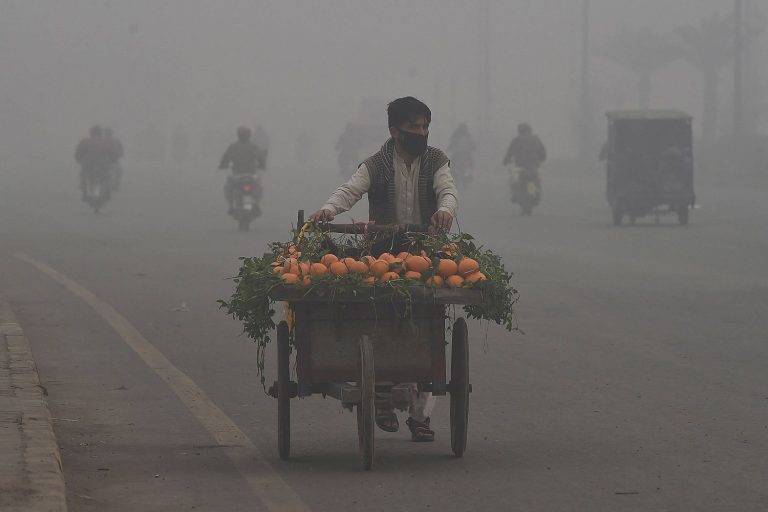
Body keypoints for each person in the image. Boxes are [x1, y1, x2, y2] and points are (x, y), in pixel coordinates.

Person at [309, 96, 458, 442]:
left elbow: (447, 191)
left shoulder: (436, 159)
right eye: (413, 127)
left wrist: (446, 211)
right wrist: (328, 210)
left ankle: (421, 414)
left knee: (428, 323)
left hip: (425, 253)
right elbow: (350, 191)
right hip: (381, 254)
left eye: (424, 127)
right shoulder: (377, 164)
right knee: (376, 315)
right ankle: (379, 394)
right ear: (395, 131)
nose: (420, 133)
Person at [219, 126, 266, 214]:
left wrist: (223, 165)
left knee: (229, 187)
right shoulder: (253, 146)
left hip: (239, 174)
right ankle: (236, 205)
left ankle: (232, 205)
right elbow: (261, 158)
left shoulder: (233, 147)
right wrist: (262, 165)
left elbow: (225, 158)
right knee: (258, 186)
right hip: (247, 174)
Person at [503, 122, 546, 202]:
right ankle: (535, 192)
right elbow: (542, 151)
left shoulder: (516, 140)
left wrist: (505, 161)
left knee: (513, 179)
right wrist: (542, 159)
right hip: (534, 166)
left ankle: (515, 194)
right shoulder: (535, 139)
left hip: (520, 166)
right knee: (537, 180)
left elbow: (509, 152)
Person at [75, 125, 111, 201]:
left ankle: (84, 192)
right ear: (100, 133)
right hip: (102, 166)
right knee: (107, 178)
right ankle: (107, 192)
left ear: (91, 132)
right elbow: (112, 153)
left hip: (88, 166)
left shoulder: (84, 141)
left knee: (83, 176)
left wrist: (79, 160)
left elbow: (78, 153)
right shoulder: (105, 142)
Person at [447, 122, 476, 187]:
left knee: (452, 164)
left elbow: (451, 144)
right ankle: (466, 176)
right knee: (469, 164)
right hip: (461, 154)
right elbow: (473, 145)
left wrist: (449, 148)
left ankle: (465, 176)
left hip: (460, 154)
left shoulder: (458, 135)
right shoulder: (466, 135)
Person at [103, 127, 124, 192]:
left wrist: (119, 154)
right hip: (106, 161)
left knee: (119, 173)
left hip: (113, 161)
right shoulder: (102, 141)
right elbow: (121, 150)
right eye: (107, 133)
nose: (108, 134)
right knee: (117, 173)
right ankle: (114, 186)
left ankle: (116, 186)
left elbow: (121, 150)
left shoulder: (116, 141)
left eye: (109, 133)